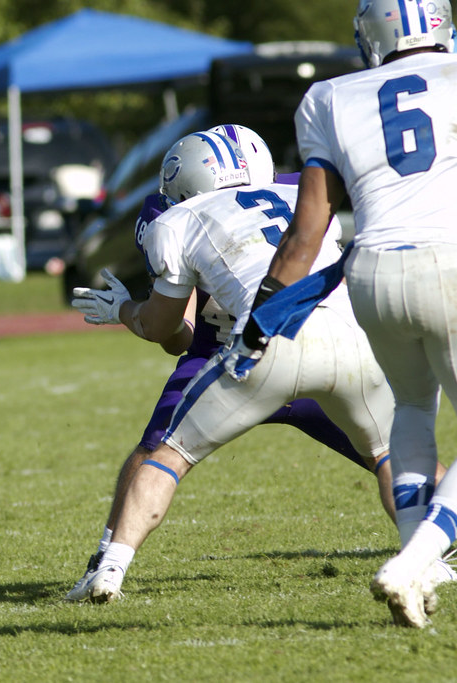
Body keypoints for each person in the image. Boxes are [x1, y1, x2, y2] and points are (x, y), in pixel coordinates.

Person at [63, 129, 451, 605]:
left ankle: (108, 567)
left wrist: (126, 311)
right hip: (343, 339)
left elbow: (167, 330)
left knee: (162, 454)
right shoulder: (302, 189)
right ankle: (429, 554)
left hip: (250, 351)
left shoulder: (175, 216)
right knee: (396, 454)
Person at [243, 0, 457, 628]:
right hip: (450, 260)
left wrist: (261, 316)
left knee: (414, 412)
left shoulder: (328, 96)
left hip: (371, 273)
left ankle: (418, 576)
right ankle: (418, 560)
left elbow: (308, 229)